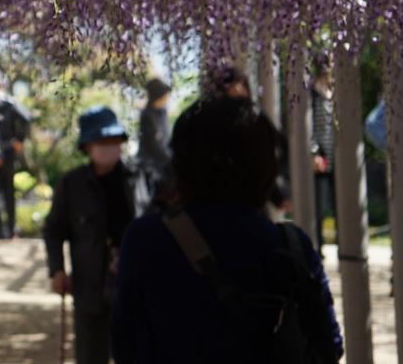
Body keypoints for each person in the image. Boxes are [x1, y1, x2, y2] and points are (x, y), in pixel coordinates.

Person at [111, 97, 343, 363]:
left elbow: (124, 345)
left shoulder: (145, 240)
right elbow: (329, 345)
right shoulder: (292, 245)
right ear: (264, 167)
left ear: (181, 165)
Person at [43, 106, 135, 364]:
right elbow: (53, 230)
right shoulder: (72, 184)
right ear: (87, 146)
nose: (109, 147)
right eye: (101, 141)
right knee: (90, 355)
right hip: (89, 286)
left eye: (113, 140)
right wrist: (57, 269)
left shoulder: (136, 179)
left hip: (131, 285)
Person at [0, 80, 30, 239]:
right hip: (7, 149)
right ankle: (10, 229)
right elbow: (26, 117)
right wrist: (19, 140)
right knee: (8, 191)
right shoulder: (8, 101)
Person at [136, 78, 174, 212]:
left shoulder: (162, 113)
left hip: (164, 161)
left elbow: (166, 140)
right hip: (151, 165)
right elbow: (153, 144)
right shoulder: (147, 114)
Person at [310, 63, 338, 249]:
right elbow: (310, 125)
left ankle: (343, 245)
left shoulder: (334, 93)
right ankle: (318, 249)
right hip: (321, 158)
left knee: (340, 204)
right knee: (319, 207)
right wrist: (314, 153)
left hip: (336, 157)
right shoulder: (312, 95)